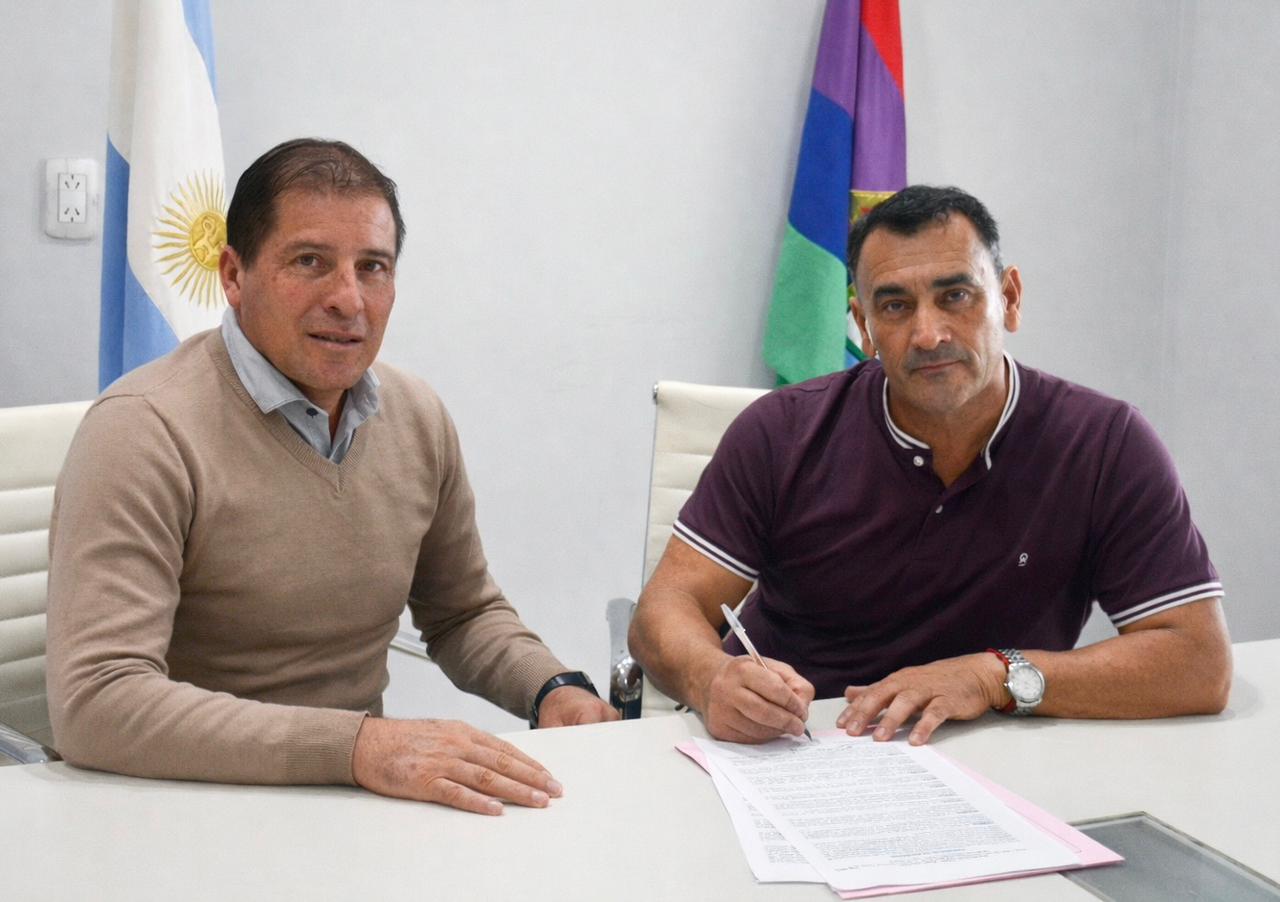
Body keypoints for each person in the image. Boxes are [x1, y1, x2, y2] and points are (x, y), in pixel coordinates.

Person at [46, 138, 617, 815]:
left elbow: (463, 613)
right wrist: (356, 747)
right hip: (178, 806)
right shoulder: (142, 431)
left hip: (356, 804)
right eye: (310, 262)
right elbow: (98, 701)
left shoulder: (417, 416)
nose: (349, 299)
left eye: (372, 267)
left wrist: (552, 687)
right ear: (233, 275)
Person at [629, 185, 1231, 746]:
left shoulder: (1104, 444)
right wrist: (711, 677)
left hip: (998, 754)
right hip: (797, 745)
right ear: (865, 328)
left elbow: (1199, 662)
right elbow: (664, 610)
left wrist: (992, 676)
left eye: (956, 296)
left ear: (1009, 299)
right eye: (895, 306)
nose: (928, 333)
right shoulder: (782, 432)